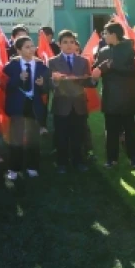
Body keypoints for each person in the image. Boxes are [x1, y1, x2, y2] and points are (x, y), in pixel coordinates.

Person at [48, 30, 97, 173]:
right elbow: (48, 85)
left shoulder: (83, 61)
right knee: (61, 135)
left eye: (72, 42)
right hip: (61, 105)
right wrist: (55, 81)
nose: (69, 45)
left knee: (78, 135)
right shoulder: (52, 62)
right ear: (59, 44)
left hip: (79, 105)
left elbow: (88, 82)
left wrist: (94, 78)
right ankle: (61, 162)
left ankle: (78, 161)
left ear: (76, 45)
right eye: (65, 42)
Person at [94, 22, 135, 169]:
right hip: (110, 97)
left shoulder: (129, 50)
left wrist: (114, 66)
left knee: (130, 131)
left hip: (127, 96)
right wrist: (98, 69)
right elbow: (96, 69)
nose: (104, 36)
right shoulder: (103, 51)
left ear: (113, 35)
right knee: (111, 131)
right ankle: (111, 159)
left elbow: (134, 71)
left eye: (105, 33)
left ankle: (134, 159)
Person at [3, 35, 50, 180]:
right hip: (18, 106)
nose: (31, 49)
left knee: (33, 139)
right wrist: (18, 79)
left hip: (34, 106)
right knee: (15, 138)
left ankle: (32, 166)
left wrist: (43, 85)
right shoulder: (11, 67)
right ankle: (14, 168)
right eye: (27, 47)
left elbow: (48, 89)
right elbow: (6, 87)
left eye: (32, 46)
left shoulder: (42, 66)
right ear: (18, 50)